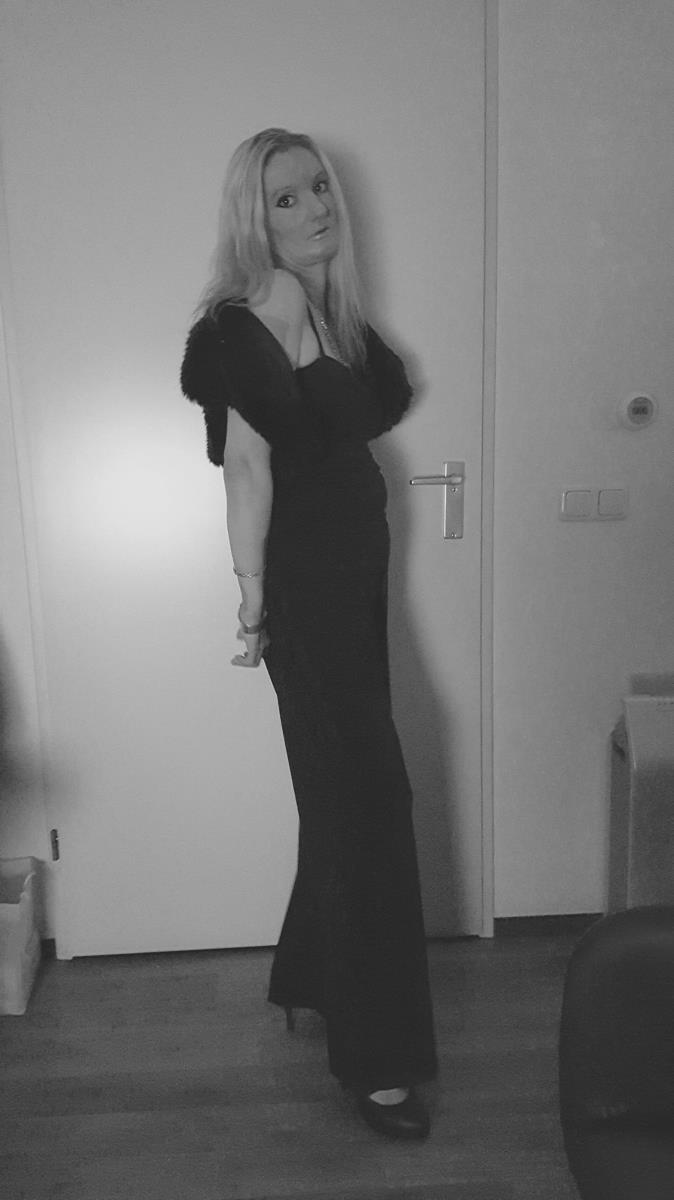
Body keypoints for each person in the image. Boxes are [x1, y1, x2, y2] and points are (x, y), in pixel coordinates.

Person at [180, 127, 438, 1140]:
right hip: (310, 592)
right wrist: (252, 599)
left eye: (319, 187)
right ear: (256, 218)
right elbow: (248, 466)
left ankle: (310, 976)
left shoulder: (328, 310)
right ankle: (377, 1062)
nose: (315, 207)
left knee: (343, 793)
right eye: (286, 197)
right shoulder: (267, 306)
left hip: (352, 585)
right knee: (369, 800)